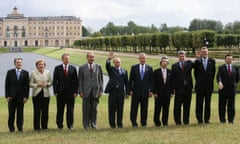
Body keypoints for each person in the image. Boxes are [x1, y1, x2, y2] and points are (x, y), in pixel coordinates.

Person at [78, 52, 103, 130]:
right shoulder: (82, 68)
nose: (92, 58)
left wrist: (101, 90)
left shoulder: (98, 67)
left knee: (94, 109)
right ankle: (86, 125)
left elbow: (100, 80)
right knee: (85, 109)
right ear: (87, 58)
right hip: (85, 91)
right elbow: (80, 81)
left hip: (95, 91)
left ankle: (93, 124)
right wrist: (80, 91)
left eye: (93, 57)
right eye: (90, 57)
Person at [53, 53, 78, 130]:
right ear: (62, 59)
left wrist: (75, 92)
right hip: (60, 93)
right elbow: (55, 81)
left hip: (70, 93)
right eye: (65, 59)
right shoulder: (57, 68)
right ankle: (59, 125)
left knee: (70, 110)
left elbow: (76, 81)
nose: (67, 60)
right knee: (60, 110)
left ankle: (70, 125)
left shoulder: (73, 68)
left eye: (68, 59)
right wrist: (55, 92)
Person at [105, 52, 129, 129]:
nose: (117, 63)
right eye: (115, 62)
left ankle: (119, 124)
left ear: (120, 63)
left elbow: (126, 83)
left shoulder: (124, 71)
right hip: (113, 92)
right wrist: (109, 59)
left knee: (120, 109)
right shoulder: (111, 70)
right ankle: (112, 124)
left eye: (118, 62)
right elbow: (107, 66)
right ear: (113, 63)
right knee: (112, 109)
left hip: (121, 92)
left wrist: (127, 93)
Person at [5, 58, 29, 132]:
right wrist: (7, 96)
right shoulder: (9, 72)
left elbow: (27, 86)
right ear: (15, 63)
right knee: (11, 114)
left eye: (20, 62)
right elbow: (7, 85)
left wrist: (26, 97)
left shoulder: (25, 73)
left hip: (21, 97)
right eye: (17, 62)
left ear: (22, 63)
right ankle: (11, 129)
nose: (19, 64)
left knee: (20, 114)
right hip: (11, 97)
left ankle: (20, 128)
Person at [129, 53, 153, 128]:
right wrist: (130, 90)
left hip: (145, 92)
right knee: (134, 108)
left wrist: (151, 91)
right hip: (135, 92)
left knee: (144, 108)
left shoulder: (149, 68)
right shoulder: (134, 68)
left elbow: (151, 81)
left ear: (146, 59)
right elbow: (130, 80)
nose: (143, 59)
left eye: (144, 58)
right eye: (141, 58)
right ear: (139, 59)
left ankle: (143, 123)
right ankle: (134, 122)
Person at [194, 47, 216, 124]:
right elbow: (195, 74)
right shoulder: (197, 62)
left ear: (208, 52)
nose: (204, 53)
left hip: (209, 86)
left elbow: (213, 73)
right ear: (201, 53)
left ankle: (207, 119)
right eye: (203, 52)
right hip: (200, 86)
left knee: (207, 103)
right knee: (199, 103)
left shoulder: (212, 61)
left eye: (205, 52)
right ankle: (199, 119)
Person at [172, 50, 193, 125]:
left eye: (183, 56)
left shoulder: (189, 64)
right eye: (180, 56)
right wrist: (173, 89)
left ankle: (186, 121)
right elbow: (173, 78)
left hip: (188, 88)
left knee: (187, 105)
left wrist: (198, 57)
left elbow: (197, 64)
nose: (182, 57)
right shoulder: (174, 66)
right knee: (177, 106)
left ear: (185, 57)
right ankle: (177, 121)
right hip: (178, 88)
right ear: (178, 57)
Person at [30, 59, 52, 130]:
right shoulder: (33, 73)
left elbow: (51, 82)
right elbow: (30, 84)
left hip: (46, 94)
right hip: (37, 94)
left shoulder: (48, 72)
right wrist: (37, 85)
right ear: (37, 66)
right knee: (37, 111)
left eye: (42, 64)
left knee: (45, 111)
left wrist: (47, 84)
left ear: (44, 65)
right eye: (39, 64)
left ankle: (44, 126)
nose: (41, 66)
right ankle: (36, 127)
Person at [217, 54, 239, 124]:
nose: (229, 60)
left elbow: (237, 78)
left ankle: (231, 120)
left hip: (232, 90)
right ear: (225, 60)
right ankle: (222, 120)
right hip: (223, 90)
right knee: (222, 106)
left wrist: (234, 84)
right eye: (228, 59)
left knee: (231, 106)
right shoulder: (221, 67)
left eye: (230, 59)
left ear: (232, 60)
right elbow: (218, 76)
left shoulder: (235, 68)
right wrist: (220, 82)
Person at [153, 56, 173, 126]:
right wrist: (154, 92)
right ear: (161, 63)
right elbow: (154, 83)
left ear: (168, 63)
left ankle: (165, 121)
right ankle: (157, 122)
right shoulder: (156, 72)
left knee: (166, 108)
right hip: (158, 94)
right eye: (163, 61)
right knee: (157, 108)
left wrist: (172, 92)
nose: (164, 63)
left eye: (166, 62)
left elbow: (171, 83)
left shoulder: (170, 72)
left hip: (167, 94)